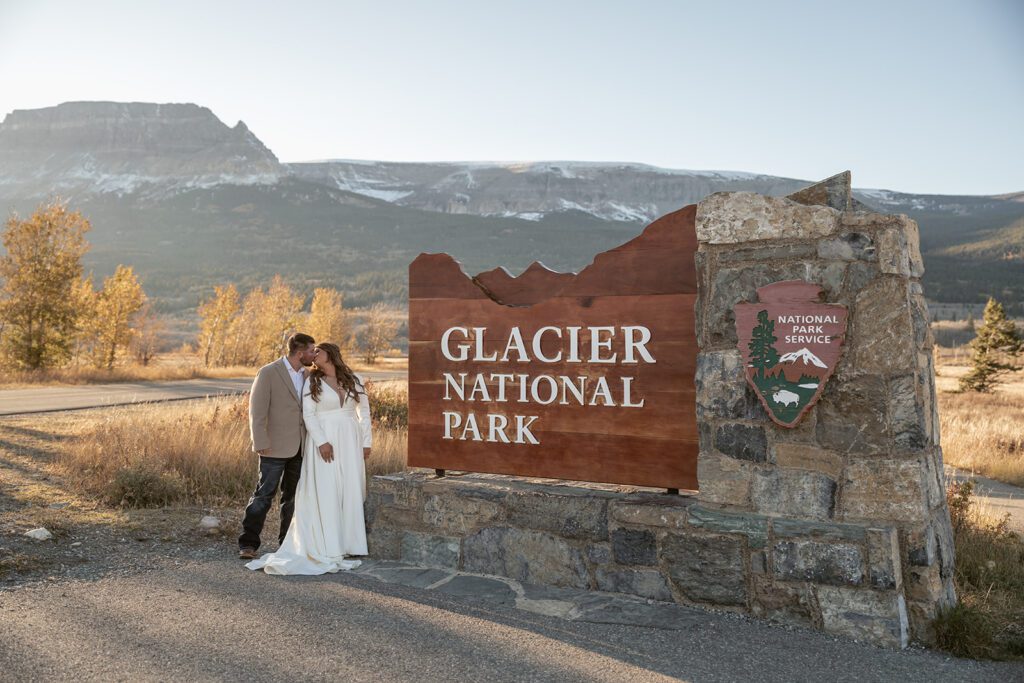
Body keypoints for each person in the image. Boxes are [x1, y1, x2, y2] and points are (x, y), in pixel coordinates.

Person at [246, 342, 372, 575]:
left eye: (318, 352)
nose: (314, 355)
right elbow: (309, 414)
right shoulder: (312, 382)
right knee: (327, 490)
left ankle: (350, 543)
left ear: (331, 354)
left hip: (350, 440)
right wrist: (322, 441)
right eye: (312, 351)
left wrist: (366, 442)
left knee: (351, 489)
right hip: (323, 440)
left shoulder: (355, 379)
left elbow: (364, 412)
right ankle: (328, 543)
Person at [238, 332, 317, 560]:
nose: (314, 354)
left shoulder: (309, 375)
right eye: (312, 351)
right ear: (300, 353)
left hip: (301, 447)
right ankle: (248, 543)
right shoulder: (268, 372)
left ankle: (286, 544)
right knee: (264, 495)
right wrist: (260, 441)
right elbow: (257, 410)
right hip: (273, 446)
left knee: (292, 498)